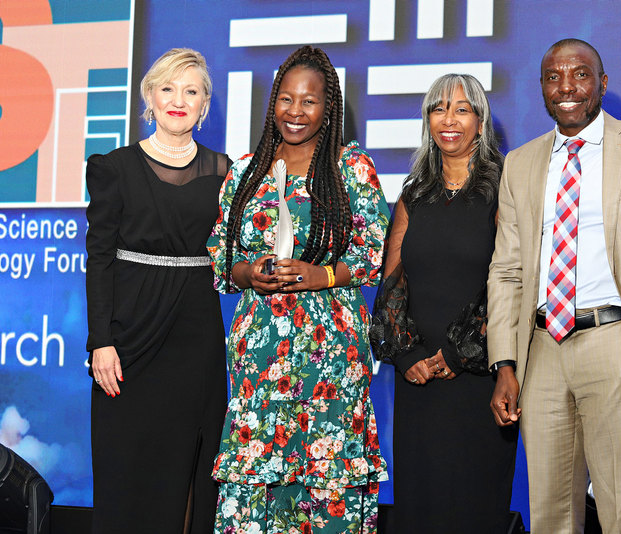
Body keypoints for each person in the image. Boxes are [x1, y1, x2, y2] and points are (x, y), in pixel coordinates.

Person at [487, 38, 621, 533]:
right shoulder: (520, 163)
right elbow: (507, 271)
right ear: (541, 87)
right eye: (554, 77)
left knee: (620, 510)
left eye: (580, 75)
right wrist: (506, 362)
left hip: (616, 342)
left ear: (601, 84)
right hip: (541, 350)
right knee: (550, 515)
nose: (566, 87)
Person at [206, 46, 390, 534]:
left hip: (329, 355)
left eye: (308, 102)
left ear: (328, 107)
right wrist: (251, 273)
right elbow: (219, 258)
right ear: (272, 104)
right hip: (259, 357)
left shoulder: (351, 167)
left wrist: (320, 275)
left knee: (327, 490)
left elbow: (375, 250)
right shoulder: (245, 171)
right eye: (286, 99)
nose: (295, 112)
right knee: (255, 493)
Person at [85, 48, 230, 533]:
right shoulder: (115, 167)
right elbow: (99, 258)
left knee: (190, 464)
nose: (178, 100)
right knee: (126, 463)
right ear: (149, 96)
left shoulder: (223, 170)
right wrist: (100, 341)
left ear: (205, 105)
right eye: (167, 88)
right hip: (129, 334)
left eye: (191, 91)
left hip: (196, 335)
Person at [370, 74, 517, 534]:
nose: (448, 119)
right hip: (419, 384)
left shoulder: (504, 190)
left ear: (480, 120)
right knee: (421, 506)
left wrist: (457, 354)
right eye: (438, 108)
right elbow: (392, 281)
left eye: (461, 109)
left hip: (480, 377)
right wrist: (408, 355)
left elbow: (510, 281)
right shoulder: (414, 193)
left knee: (474, 506)